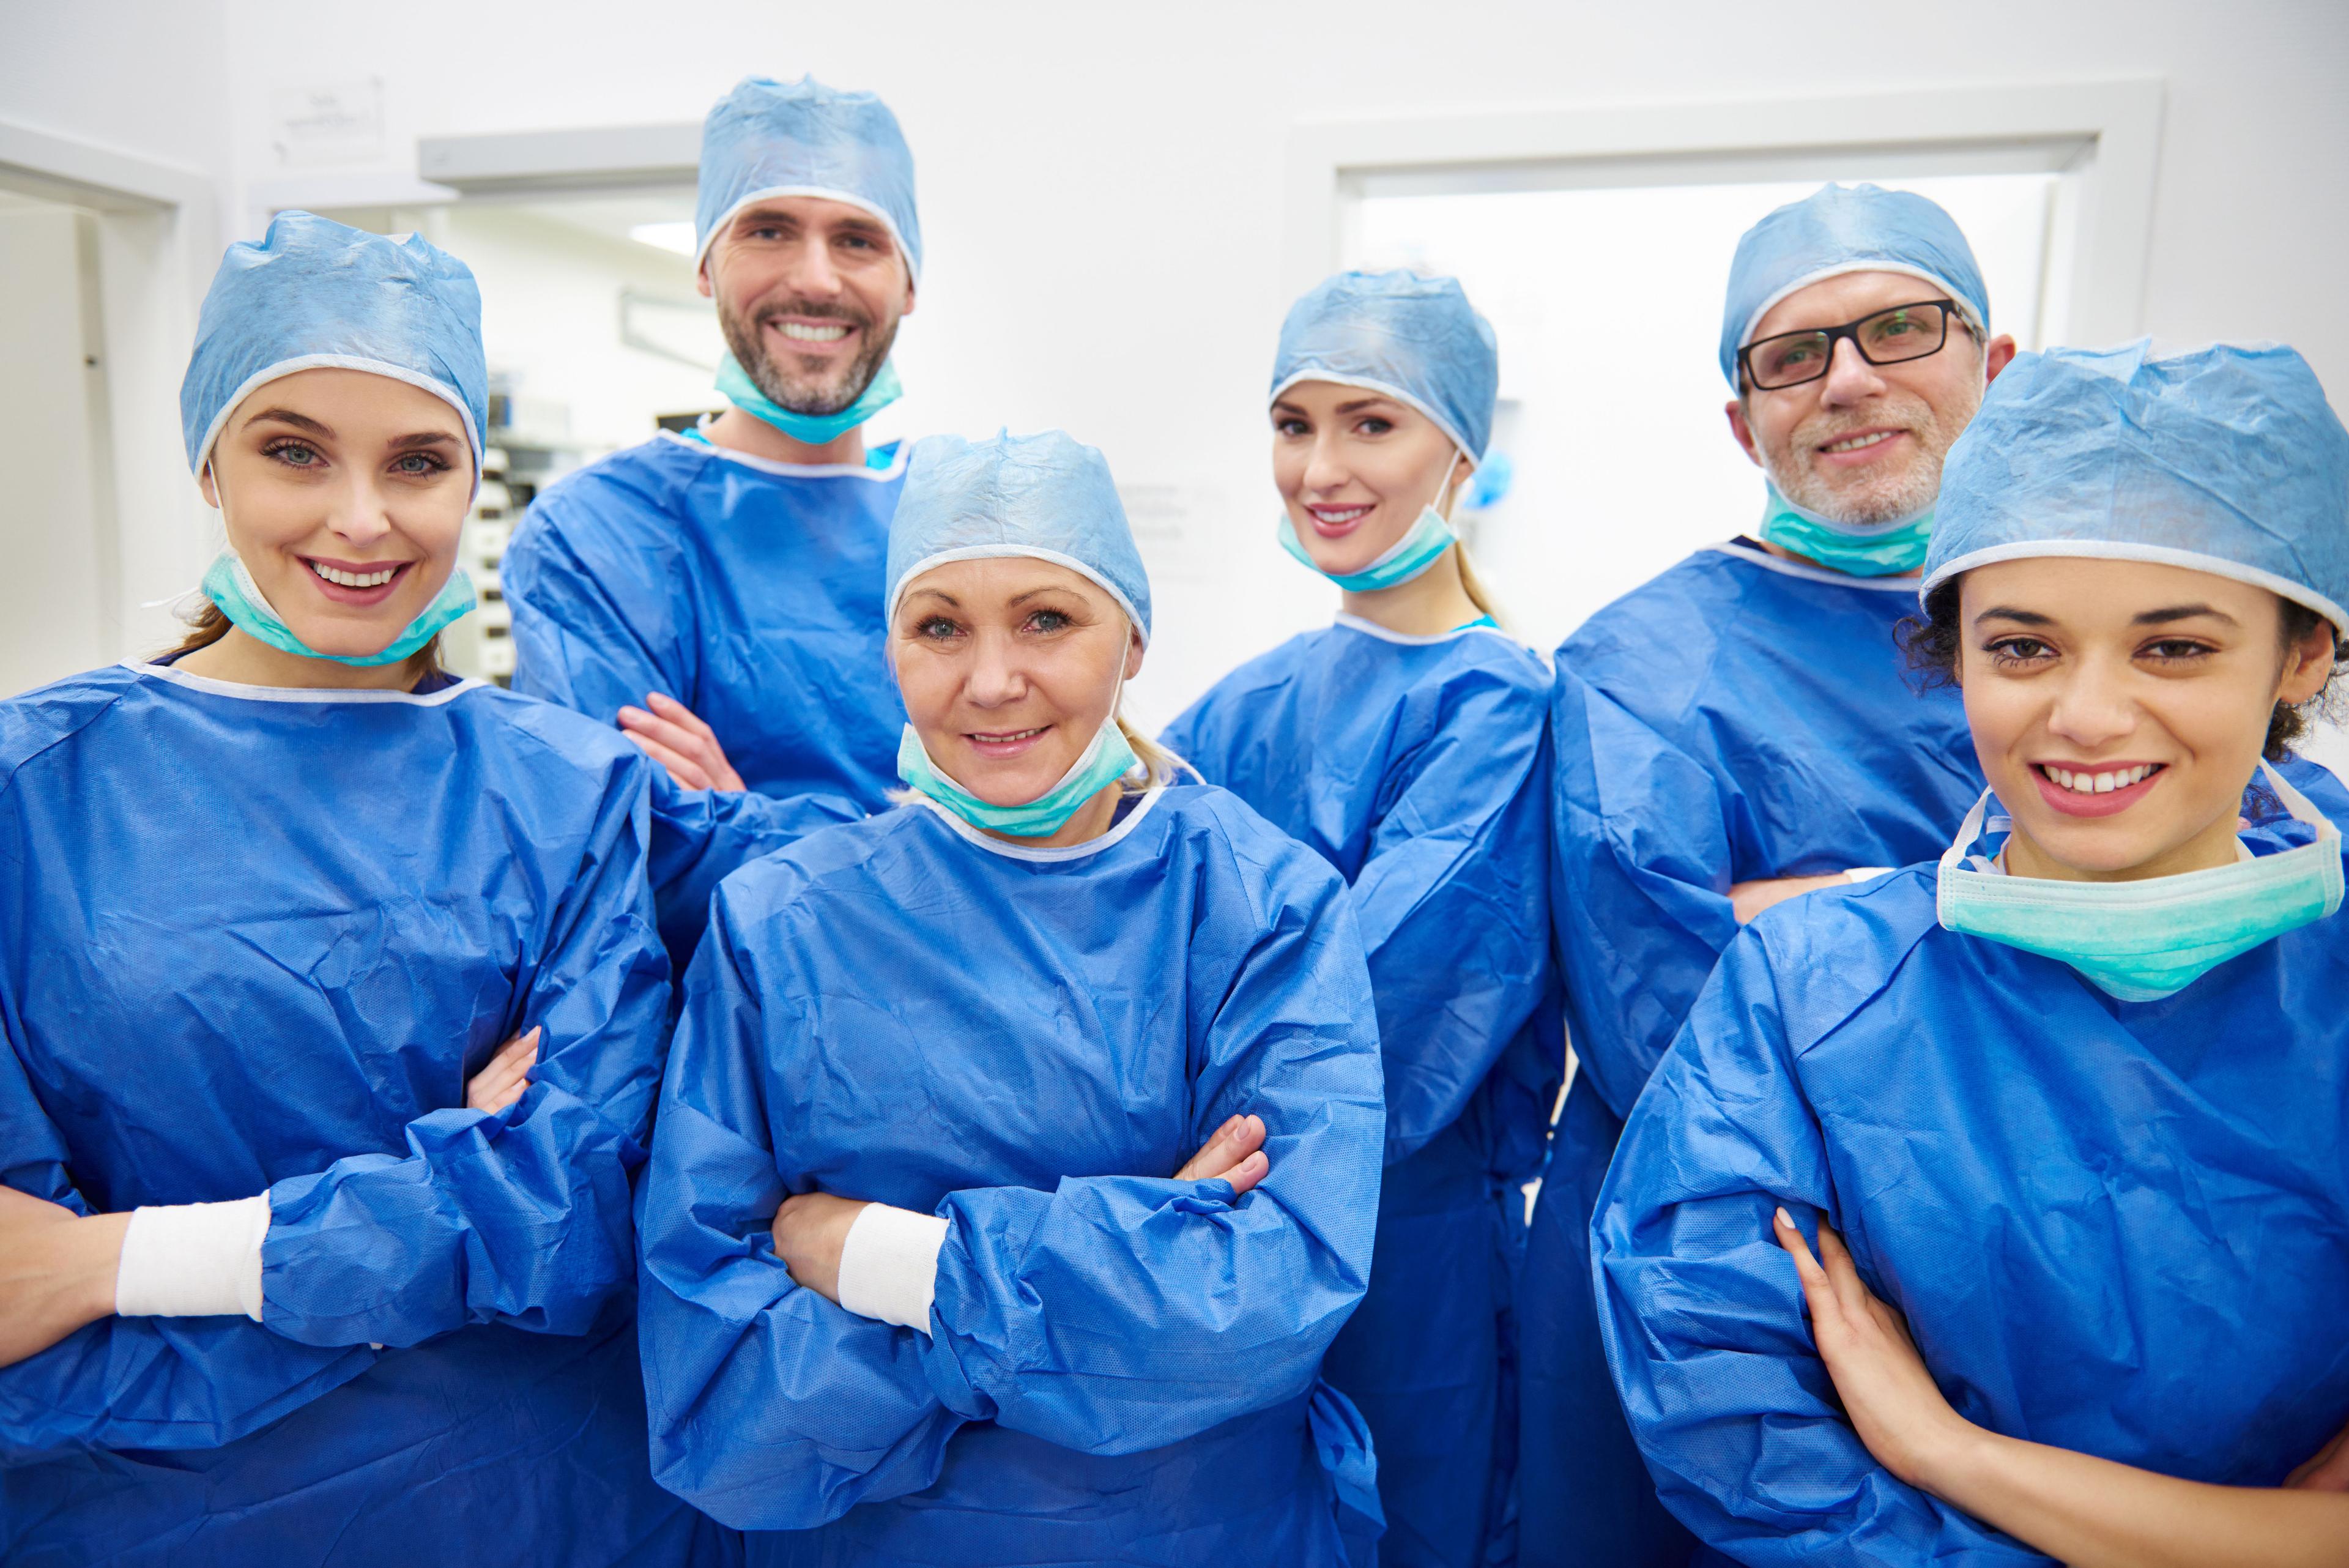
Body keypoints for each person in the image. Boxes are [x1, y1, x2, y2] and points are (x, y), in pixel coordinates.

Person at [0, 213, 720, 1565]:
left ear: (472, 479)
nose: (361, 517)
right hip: (136, 1512)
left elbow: (566, 1218)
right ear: (208, 460)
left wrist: (117, 1265)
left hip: (534, 1506)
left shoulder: (569, 793)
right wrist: (440, 1215)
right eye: (294, 451)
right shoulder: (29, 795)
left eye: (418, 462)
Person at [1593, 340, 2349, 1566]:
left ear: (2302, 654)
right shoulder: (1809, 992)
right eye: (2023, 647)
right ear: (1955, 658)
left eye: (2175, 648)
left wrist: (1952, 1452)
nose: (2089, 715)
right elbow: (1748, 1439)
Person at [635, 429, 1389, 1565]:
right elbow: (717, 1375)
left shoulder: (1259, 908)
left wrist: (877, 1261)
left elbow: (1267, 1302)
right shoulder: (783, 922)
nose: (991, 681)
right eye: (940, 627)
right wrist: (1121, 1273)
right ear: (889, 649)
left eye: (1047, 619)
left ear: (1133, 639)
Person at [1513, 184, 2017, 1567]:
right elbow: (1668, 1012)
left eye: (1899, 328)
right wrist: (1993, 905)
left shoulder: (2072, 627)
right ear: (1746, 422)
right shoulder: (1643, 664)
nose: (1847, 378)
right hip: (1728, 1273)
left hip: (2038, 1274)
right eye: (1792, 355)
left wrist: (1797, 915)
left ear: (1996, 365)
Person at [1162, 269, 1558, 1568]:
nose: (1320, 466)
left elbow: (1378, 1003)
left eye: (1371, 423)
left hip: (1400, 1252)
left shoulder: (1499, 703)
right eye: (1294, 422)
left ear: (1461, 447)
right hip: (1217, 1215)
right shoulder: (1248, 698)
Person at [504, 74, 922, 953]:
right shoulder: (595, 535)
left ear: (908, 281)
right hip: (716, 1048)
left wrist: (741, 819)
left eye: (858, 239)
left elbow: (1039, 824)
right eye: (768, 230)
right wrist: (916, 835)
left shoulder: (962, 518)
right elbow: (633, 854)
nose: (816, 279)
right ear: (704, 263)